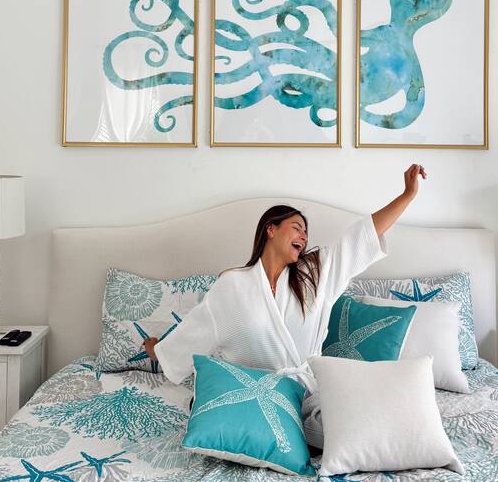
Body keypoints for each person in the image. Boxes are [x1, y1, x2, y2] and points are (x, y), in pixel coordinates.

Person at [144, 163, 426, 446]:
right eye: (296, 228)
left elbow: (361, 238)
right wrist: (157, 350)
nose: (304, 236)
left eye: (306, 233)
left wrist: (407, 195)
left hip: (307, 400)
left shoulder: (315, 274)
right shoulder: (232, 286)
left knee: (374, 429)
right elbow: (193, 333)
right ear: (271, 229)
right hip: (254, 403)